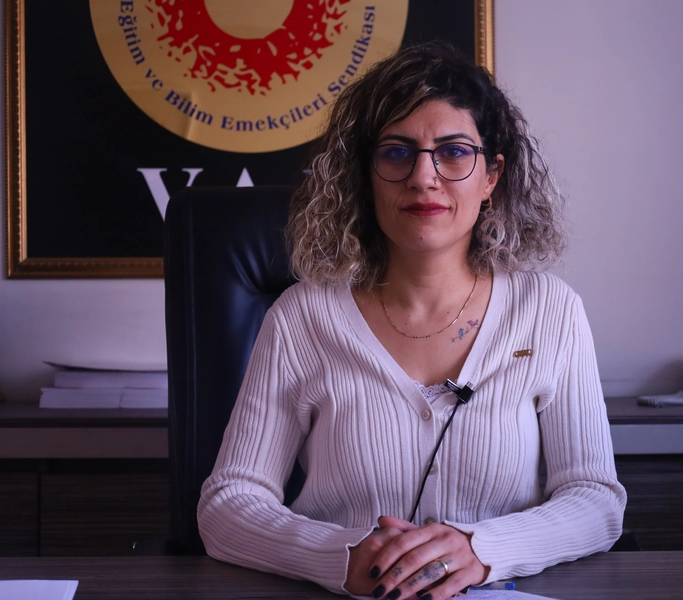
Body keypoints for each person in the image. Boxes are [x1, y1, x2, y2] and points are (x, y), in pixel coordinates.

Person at [197, 42, 626, 600]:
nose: (424, 177)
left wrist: (481, 548)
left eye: (454, 152)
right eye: (397, 152)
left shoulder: (549, 311)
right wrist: (340, 555)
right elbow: (228, 505)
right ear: (366, 176)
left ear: (491, 176)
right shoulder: (302, 318)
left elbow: (596, 500)